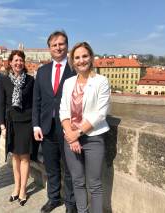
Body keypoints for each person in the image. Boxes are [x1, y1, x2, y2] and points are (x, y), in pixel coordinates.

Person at [60, 42, 110, 213]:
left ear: (91, 58)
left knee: (94, 184)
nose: (81, 60)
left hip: (93, 137)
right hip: (70, 137)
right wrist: (71, 134)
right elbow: (63, 111)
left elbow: (100, 114)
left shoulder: (101, 81)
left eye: (84, 56)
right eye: (77, 57)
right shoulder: (68, 83)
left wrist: (77, 133)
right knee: (77, 181)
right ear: (72, 62)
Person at [32, 30, 76, 213]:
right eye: (54, 45)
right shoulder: (42, 71)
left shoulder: (75, 70)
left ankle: (71, 204)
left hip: (68, 129)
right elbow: (37, 101)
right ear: (49, 48)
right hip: (47, 128)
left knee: (70, 169)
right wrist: (36, 125)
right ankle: (53, 198)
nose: (58, 47)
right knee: (51, 167)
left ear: (67, 46)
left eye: (61, 44)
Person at [0, 50, 34, 206]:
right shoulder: (4, 80)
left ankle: (23, 190)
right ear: (10, 63)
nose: (18, 63)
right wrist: (2, 125)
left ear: (23, 63)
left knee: (25, 157)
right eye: (15, 60)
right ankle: (16, 187)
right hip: (11, 122)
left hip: (26, 123)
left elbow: (34, 103)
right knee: (15, 157)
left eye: (21, 60)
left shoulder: (31, 80)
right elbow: (1, 103)